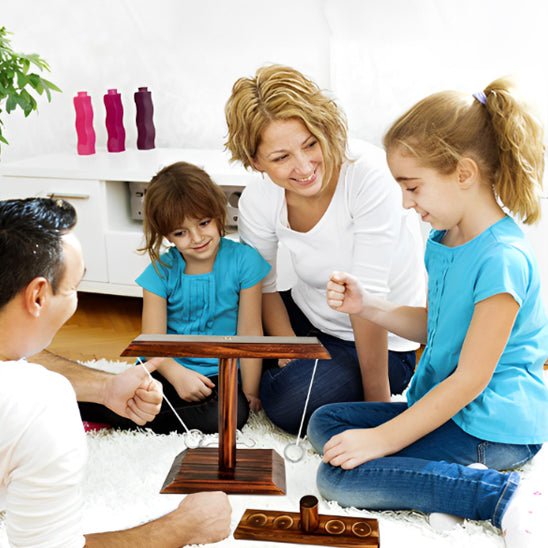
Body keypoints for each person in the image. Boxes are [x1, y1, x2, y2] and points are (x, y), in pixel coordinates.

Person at [308, 78, 548, 547]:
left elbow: (470, 379)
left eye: (412, 187)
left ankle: (501, 494)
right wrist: (367, 306)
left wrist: (385, 439)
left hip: (494, 425)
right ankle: (441, 484)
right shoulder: (445, 240)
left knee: (336, 479)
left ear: (463, 173)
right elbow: (437, 329)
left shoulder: (501, 259)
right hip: (450, 409)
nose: (405, 202)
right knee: (327, 423)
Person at [0, 197, 231, 546]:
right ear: (38, 297)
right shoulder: (41, 404)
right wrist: (184, 526)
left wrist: (105, 388)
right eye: (75, 287)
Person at [224, 64, 426, 434]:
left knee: (291, 401)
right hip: (306, 315)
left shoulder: (368, 176)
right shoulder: (259, 198)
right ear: (255, 161)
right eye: (281, 158)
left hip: (380, 338)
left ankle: (255, 380)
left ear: (324, 128)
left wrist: (376, 410)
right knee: (220, 312)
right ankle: (247, 376)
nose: (303, 167)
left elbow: (368, 299)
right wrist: (287, 346)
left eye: (310, 144)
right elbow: (262, 286)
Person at [80, 162, 271, 435]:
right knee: (144, 393)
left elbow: (250, 332)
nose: (196, 238)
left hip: (222, 373)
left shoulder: (245, 261)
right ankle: (95, 406)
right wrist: (178, 375)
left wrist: (250, 390)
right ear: (166, 235)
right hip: (166, 367)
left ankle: (116, 416)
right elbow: (152, 342)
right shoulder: (160, 272)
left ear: (219, 214)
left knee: (230, 414)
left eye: (204, 223)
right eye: (180, 233)